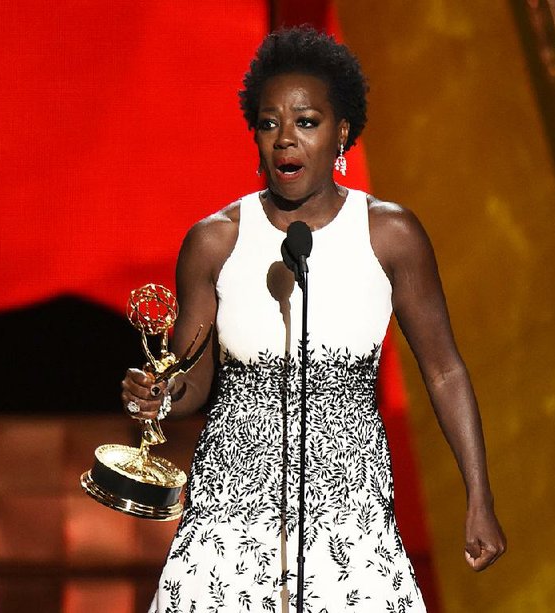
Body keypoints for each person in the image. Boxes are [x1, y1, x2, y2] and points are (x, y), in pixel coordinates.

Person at [122, 26, 505, 613]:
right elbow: (194, 379)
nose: (285, 140)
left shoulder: (391, 236)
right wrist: (162, 395)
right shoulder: (215, 241)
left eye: (306, 122)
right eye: (270, 122)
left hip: (348, 514)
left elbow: (445, 371)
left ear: (341, 132)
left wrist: (478, 495)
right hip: (230, 517)